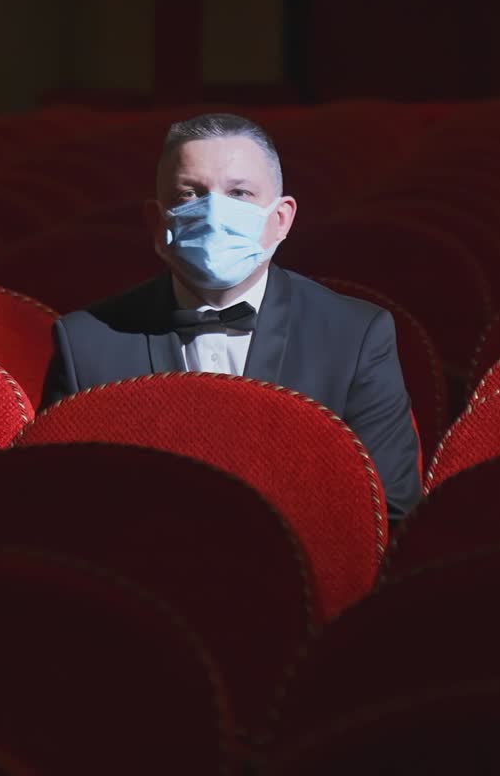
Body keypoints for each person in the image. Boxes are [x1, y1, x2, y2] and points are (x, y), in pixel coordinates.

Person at [41, 112, 421, 522]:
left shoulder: (356, 336)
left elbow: (388, 509)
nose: (214, 213)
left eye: (239, 194)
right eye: (190, 194)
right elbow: (59, 504)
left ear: (281, 219)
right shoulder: (85, 344)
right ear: (156, 222)